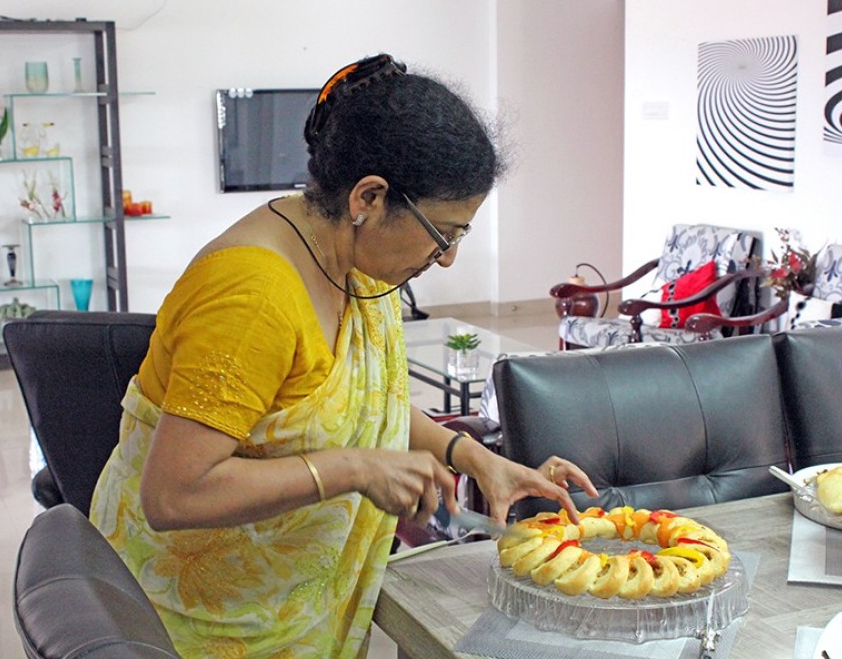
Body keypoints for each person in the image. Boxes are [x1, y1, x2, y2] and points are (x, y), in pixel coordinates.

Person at [90, 53, 597, 658]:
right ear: (371, 197)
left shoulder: (352, 258)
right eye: (445, 234)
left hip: (286, 601)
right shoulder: (255, 298)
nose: (448, 258)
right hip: (197, 622)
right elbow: (174, 494)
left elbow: (361, 404)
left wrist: (472, 458)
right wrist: (356, 469)